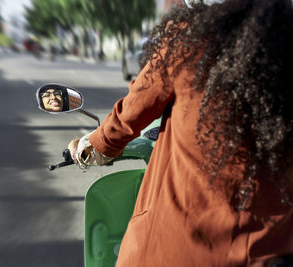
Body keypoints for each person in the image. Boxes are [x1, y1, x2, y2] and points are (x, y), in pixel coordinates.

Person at [68, 0, 293, 266]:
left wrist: (93, 146)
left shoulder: (187, 39)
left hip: (179, 248)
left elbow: (131, 112)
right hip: (270, 250)